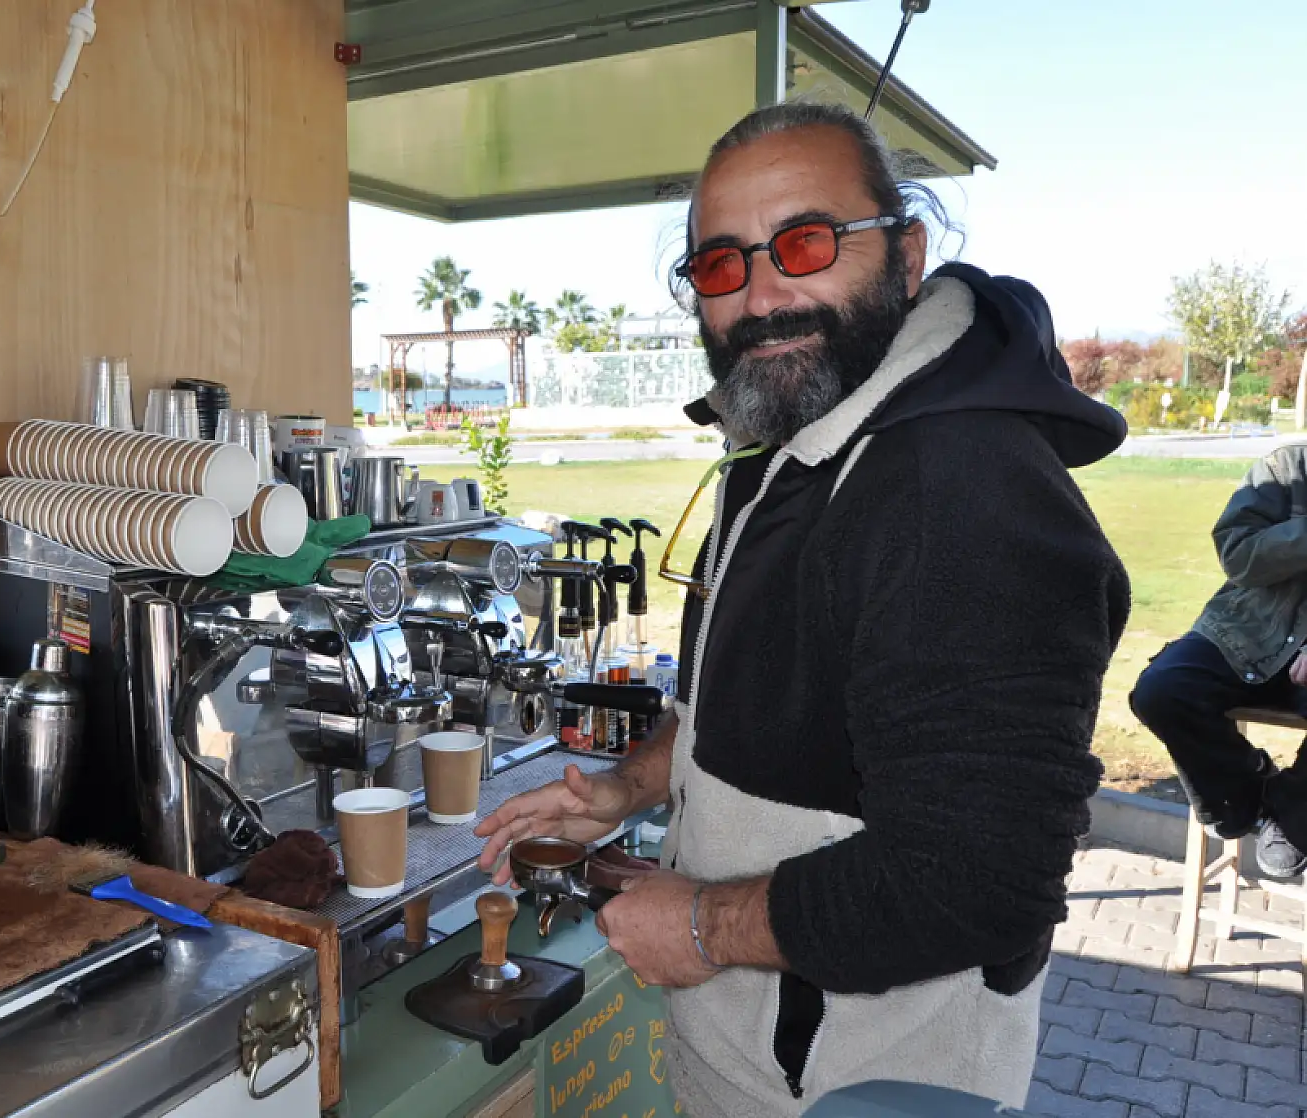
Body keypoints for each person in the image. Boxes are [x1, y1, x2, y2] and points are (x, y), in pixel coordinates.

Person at [475, 101, 1130, 1115]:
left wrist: (699, 928)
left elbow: (977, 875)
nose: (762, 297)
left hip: (864, 1085)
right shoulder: (792, 434)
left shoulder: (956, 490)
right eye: (721, 264)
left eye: (804, 243)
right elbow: (764, 708)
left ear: (904, 254)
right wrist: (629, 786)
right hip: (753, 1065)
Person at [1130, 447, 1307, 879]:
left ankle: (1293, 813)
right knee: (1162, 691)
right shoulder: (1285, 468)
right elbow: (1238, 555)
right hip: (1247, 632)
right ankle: (1251, 794)